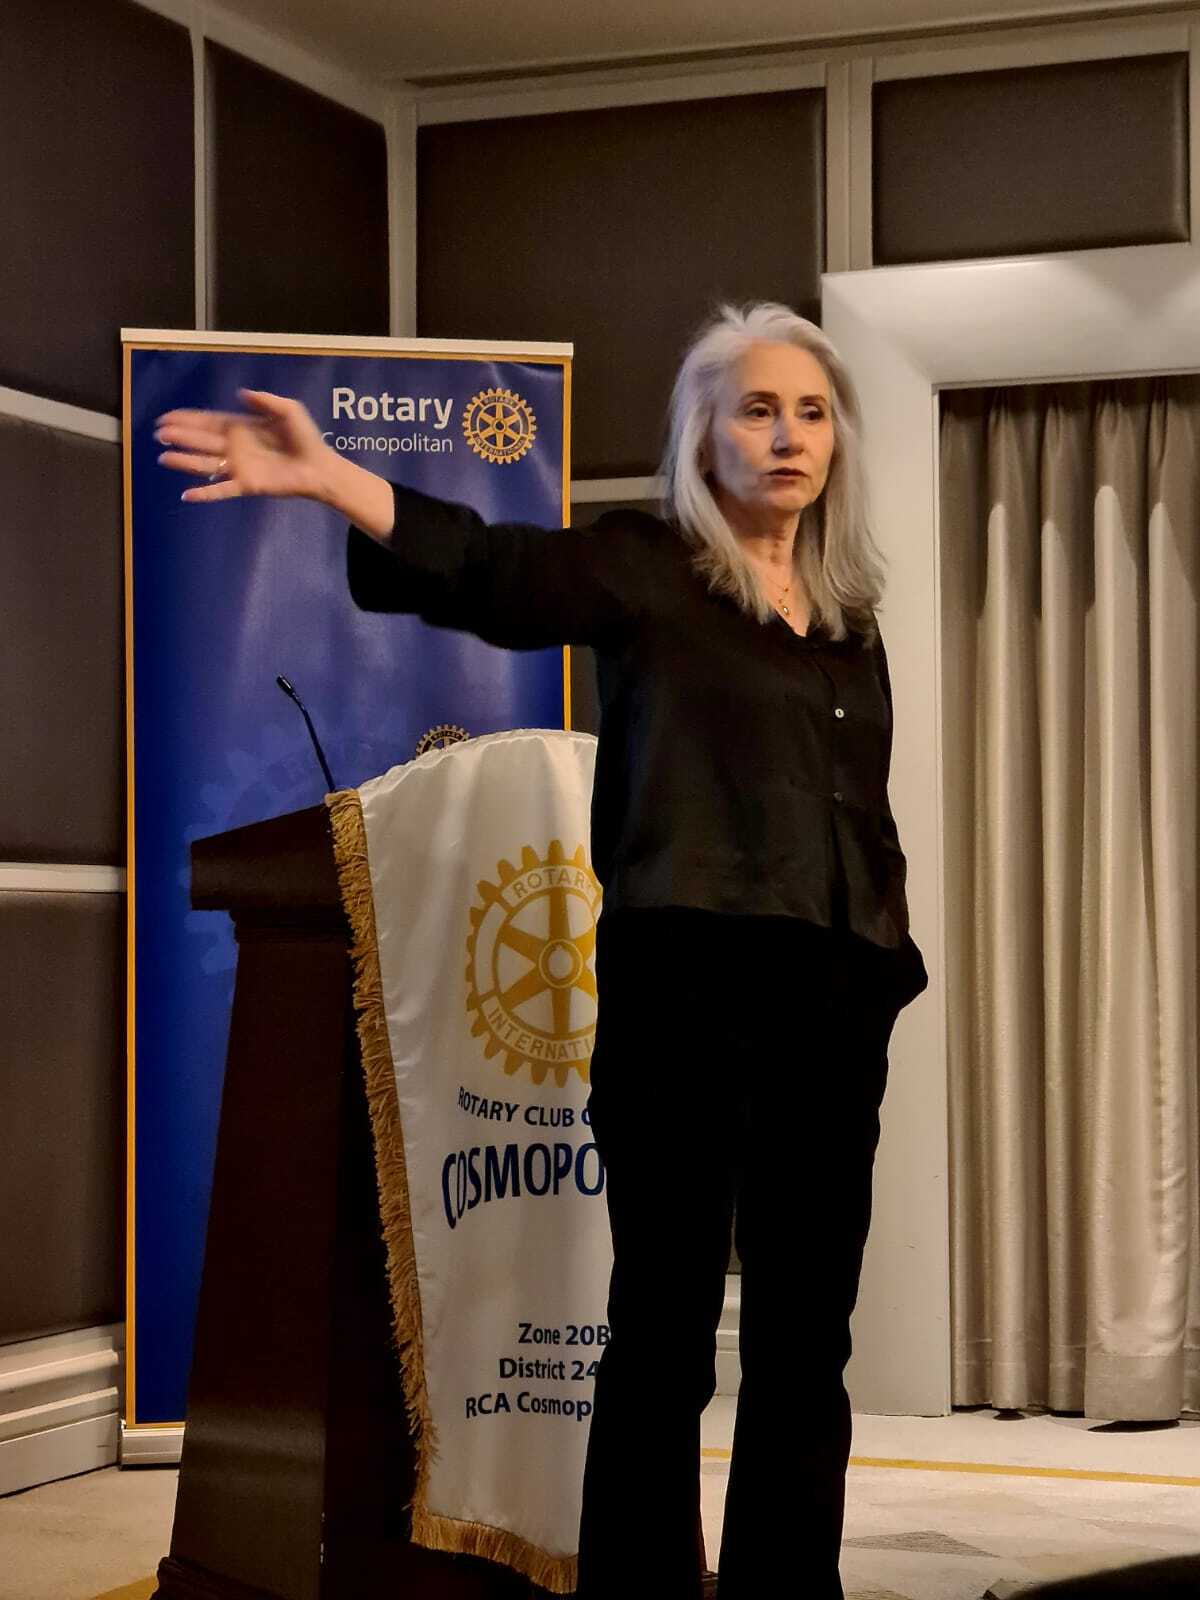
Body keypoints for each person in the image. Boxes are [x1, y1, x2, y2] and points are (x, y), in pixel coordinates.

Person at [157, 301, 929, 1600]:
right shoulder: (646, 568)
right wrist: (334, 479)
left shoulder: (851, 621)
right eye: (757, 409)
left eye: (811, 412)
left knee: (809, 1346)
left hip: (832, 1006)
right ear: (703, 434)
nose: (789, 435)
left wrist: (880, 964)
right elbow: (490, 566)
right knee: (665, 1338)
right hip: (686, 997)